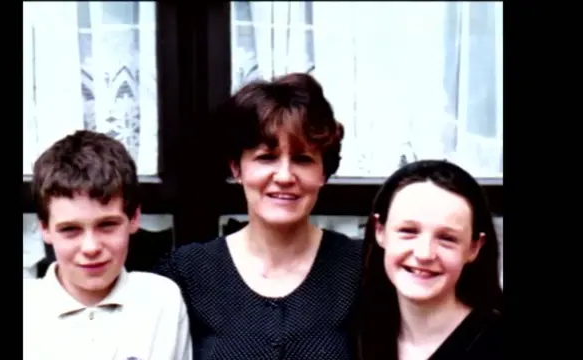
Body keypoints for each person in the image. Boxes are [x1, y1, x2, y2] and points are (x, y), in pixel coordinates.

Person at [156, 73, 362, 360]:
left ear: (324, 173)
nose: (285, 176)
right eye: (266, 157)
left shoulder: (361, 269)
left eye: (303, 159)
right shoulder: (187, 273)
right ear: (237, 168)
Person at [23, 130, 192, 360]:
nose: (91, 247)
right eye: (70, 229)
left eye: (107, 225)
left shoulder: (161, 301)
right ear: (45, 229)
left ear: (134, 218)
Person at [357, 160, 503, 360]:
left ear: (474, 247)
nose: (424, 254)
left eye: (447, 238)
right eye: (408, 231)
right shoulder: (350, 338)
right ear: (379, 231)